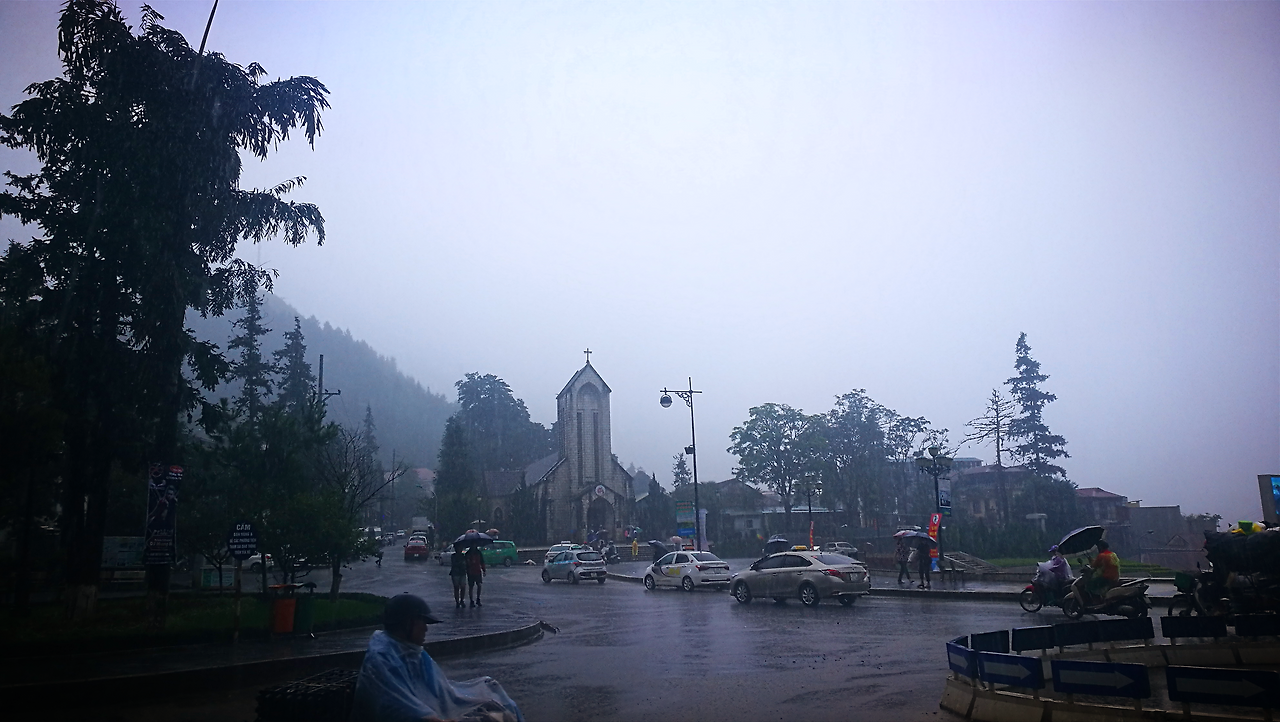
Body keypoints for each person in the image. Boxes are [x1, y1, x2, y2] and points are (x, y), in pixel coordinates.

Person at [351, 594, 523, 722]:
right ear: (407, 623)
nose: (426, 629)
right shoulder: (383, 659)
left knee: (491, 689)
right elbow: (398, 706)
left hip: (433, 712)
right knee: (499, 717)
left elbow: (441, 690)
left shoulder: (407, 650)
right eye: (423, 623)